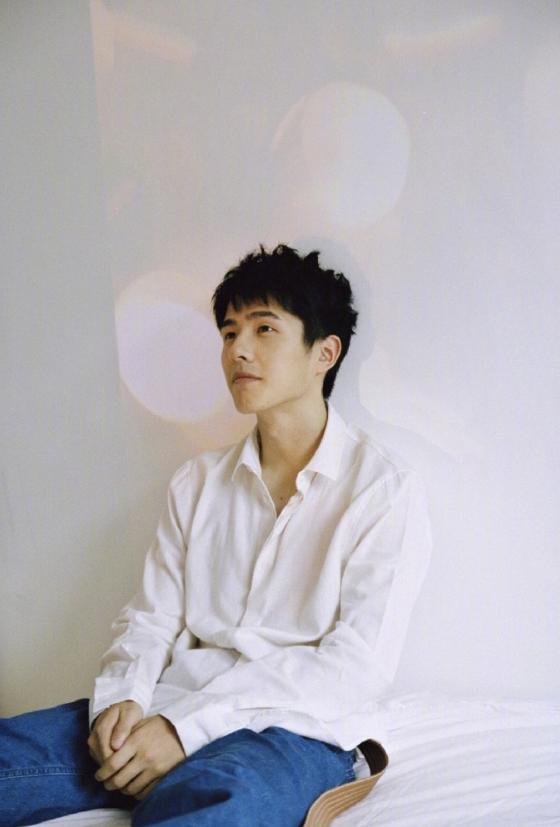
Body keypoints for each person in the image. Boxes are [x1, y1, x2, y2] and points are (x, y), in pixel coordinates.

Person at [0, 243, 432, 827]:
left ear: (324, 353)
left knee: (215, 802)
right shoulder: (198, 482)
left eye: (263, 329)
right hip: (165, 705)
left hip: (291, 731)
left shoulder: (383, 490)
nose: (238, 350)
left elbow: (355, 668)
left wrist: (186, 729)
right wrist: (123, 698)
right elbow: (151, 618)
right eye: (229, 333)